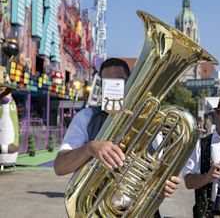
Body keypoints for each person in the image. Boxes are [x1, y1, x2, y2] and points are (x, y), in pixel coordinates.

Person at [54, 58, 180, 215]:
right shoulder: (86, 117)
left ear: (130, 83)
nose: (114, 87)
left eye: (120, 81)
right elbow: (60, 167)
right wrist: (90, 148)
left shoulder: (150, 122)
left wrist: (165, 183)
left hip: (141, 212)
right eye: (108, 82)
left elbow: (157, 172)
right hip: (96, 211)